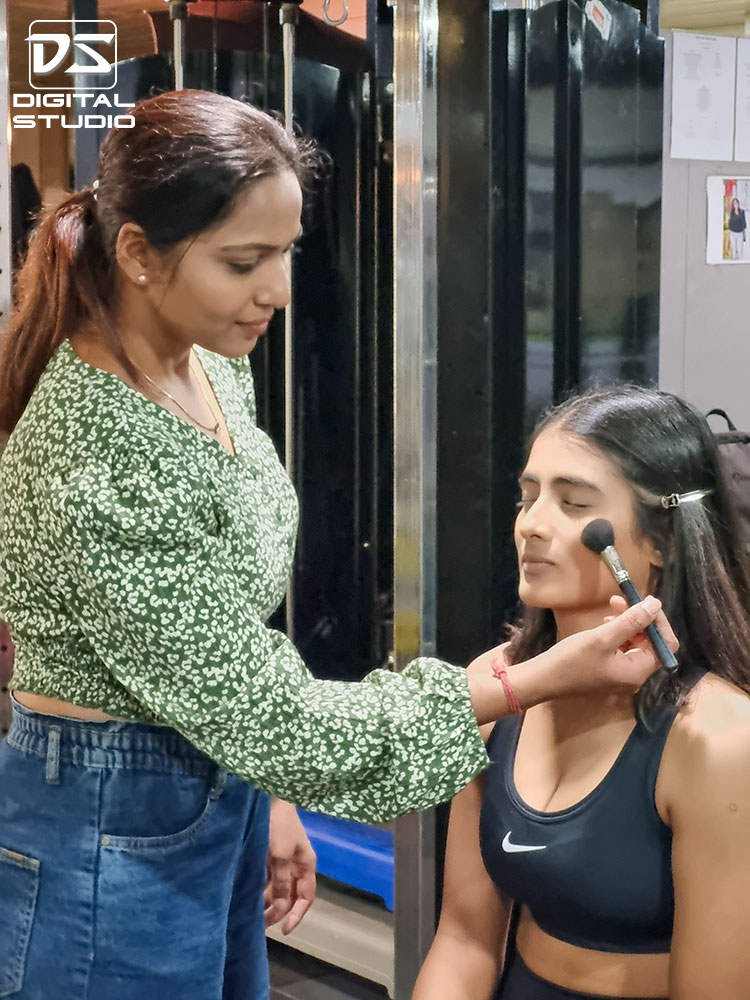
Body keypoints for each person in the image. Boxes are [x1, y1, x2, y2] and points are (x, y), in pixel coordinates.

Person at [0, 91, 673, 1000]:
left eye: (286, 252)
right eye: (245, 261)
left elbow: (221, 638)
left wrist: (261, 791)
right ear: (136, 254)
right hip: (107, 821)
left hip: (207, 784)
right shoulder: (98, 459)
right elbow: (271, 717)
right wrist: (528, 680)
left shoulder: (206, 361)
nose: (277, 290)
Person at [413, 384, 750, 1000]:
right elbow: (463, 941)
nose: (531, 526)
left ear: (661, 542)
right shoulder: (499, 687)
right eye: (527, 497)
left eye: (572, 504)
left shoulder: (718, 738)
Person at [728, 196, 746, 261]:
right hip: (732, 233)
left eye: (736, 203)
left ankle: (740, 261)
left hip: (740, 233)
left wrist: (744, 233)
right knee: (734, 248)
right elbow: (729, 222)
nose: (735, 204)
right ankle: (734, 261)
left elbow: (744, 223)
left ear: (738, 203)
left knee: (739, 248)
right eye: (734, 203)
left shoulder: (742, 212)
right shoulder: (731, 212)